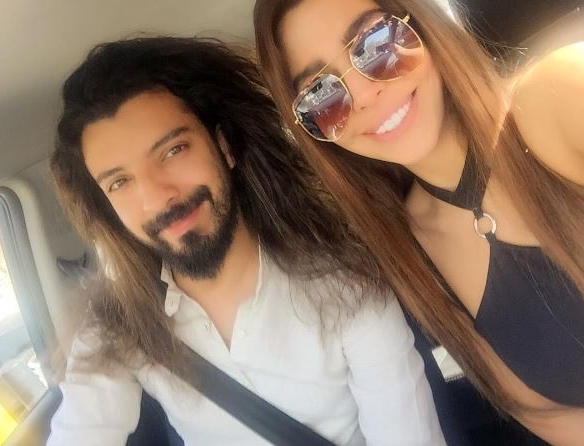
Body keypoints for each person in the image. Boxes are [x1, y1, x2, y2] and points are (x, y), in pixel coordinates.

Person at [47, 36, 445, 445]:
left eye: (174, 150)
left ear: (224, 147)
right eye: (119, 183)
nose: (156, 198)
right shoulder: (117, 325)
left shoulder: (348, 285)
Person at [253, 0, 584, 444]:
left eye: (375, 42)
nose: (363, 95)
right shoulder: (412, 253)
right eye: (321, 93)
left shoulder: (558, 97)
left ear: (423, 24)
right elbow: (544, 414)